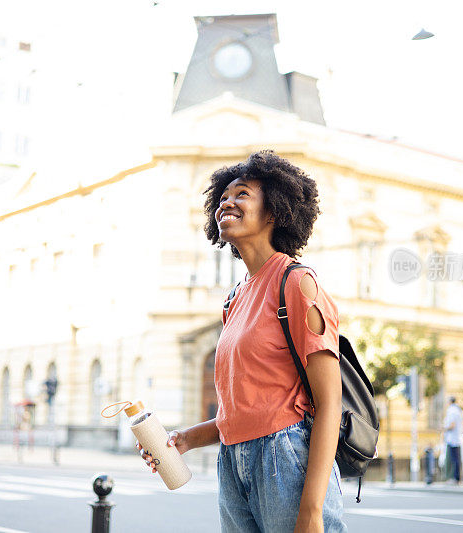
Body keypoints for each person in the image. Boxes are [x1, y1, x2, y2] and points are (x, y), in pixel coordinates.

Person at [138, 151, 347, 532]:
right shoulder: (235, 298)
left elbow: (330, 403)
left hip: (286, 460)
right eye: (222, 199)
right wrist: (185, 439)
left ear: (274, 212)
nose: (226, 204)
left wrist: (311, 511)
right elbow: (244, 409)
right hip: (232, 463)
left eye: (242, 195)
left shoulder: (297, 284)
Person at [443, 396, 463, 484]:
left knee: (453, 459)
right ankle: (457, 477)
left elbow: (452, 425)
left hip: (452, 439)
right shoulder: (458, 410)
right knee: (457, 458)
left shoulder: (451, 411)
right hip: (457, 437)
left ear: (450, 402)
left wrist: (444, 428)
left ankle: (454, 478)